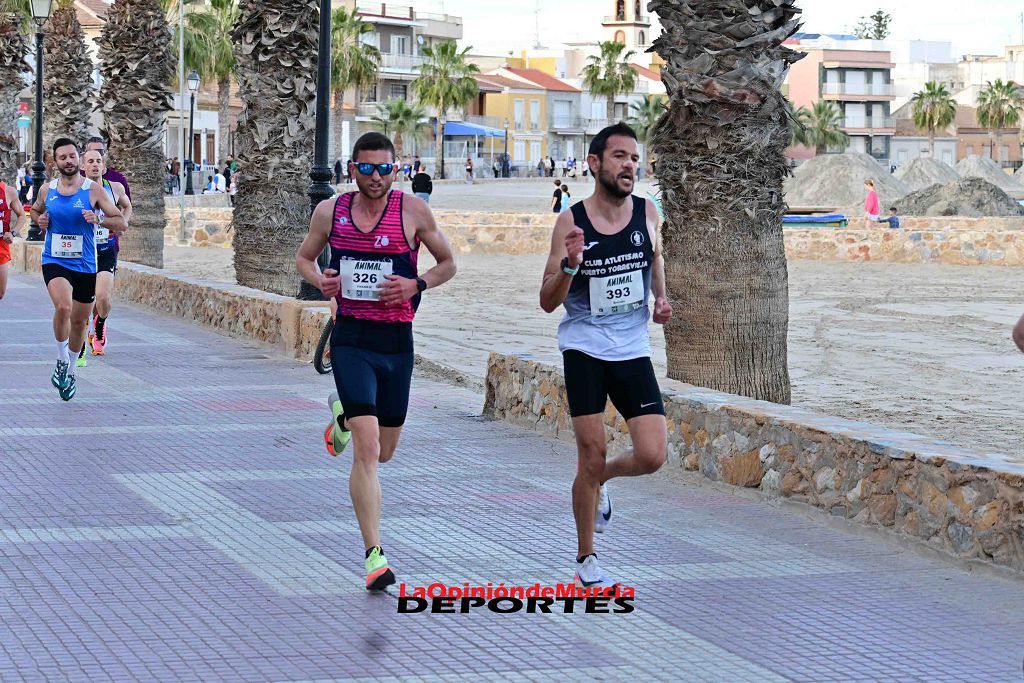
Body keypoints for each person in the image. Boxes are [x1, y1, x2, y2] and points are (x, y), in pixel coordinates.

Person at [295, 132, 457, 591]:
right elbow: (305, 258)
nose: (376, 177)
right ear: (352, 170)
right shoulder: (331, 211)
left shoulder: (413, 211)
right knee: (366, 450)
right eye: (366, 169)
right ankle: (374, 556)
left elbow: (448, 263)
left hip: (396, 344)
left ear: (396, 169)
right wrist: (320, 281)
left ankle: (342, 414)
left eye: (385, 169)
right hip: (351, 340)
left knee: (384, 451)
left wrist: (416, 285)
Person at [539, 122, 672, 588]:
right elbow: (547, 300)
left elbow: (654, 257)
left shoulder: (647, 212)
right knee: (589, 453)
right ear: (594, 164)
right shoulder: (571, 222)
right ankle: (585, 557)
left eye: (634, 158)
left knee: (653, 455)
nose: (629, 166)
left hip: (633, 349)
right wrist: (571, 265)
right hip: (585, 348)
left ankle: (603, 481)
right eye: (619, 157)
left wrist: (660, 297)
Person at [31, 138, 126, 401]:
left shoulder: (93, 190)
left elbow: (121, 222)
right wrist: (39, 219)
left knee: (80, 322)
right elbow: (36, 211)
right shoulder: (46, 190)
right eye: (63, 157)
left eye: (72, 156)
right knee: (63, 307)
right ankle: (62, 360)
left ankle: (71, 370)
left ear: (77, 158)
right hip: (55, 259)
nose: (68, 161)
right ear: (56, 162)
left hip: (85, 263)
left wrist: (99, 219)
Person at [78, 148, 132, 363]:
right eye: (90, 161)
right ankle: (80, 342)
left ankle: (99, 326)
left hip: (105, 248)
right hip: (82, 250)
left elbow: (127, 206)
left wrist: (122, 223)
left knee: (103, 298)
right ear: (82, 166)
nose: (94, 164)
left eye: (98, 161)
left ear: (103, 166)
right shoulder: (76, 189)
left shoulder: (114, 188)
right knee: (83, 300)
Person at [0, 175, 27, 302]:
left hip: (1, 247)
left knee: (0, 293)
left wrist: (13, 233)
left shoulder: (8, 191)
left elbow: (22, 215)